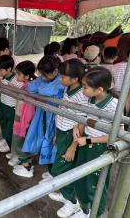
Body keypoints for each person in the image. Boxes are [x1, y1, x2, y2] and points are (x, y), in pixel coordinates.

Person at [72, 67, 118, 218]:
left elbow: (116, 136)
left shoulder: (114, 106)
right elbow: (82, 117)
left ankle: (96, 213)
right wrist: (76, 128)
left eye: (85, 87)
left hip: (100, 148)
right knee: (81, 177)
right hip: (86, 143)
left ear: (99, 89)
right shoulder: (89, 99)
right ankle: (84, 209)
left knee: (96, 183)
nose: (82, 89)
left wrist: (89, 139)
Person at [48, 59, 87, 217]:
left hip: (71, 138)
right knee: (60, 165)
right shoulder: (68, 89)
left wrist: (73, 146)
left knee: (60, 169)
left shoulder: (81, 96)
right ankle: (66, 194)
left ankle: (73, 202)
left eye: (63, 77)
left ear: (75, 79)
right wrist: (57, 133)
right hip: (62, 132)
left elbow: (81, 124)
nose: (60, 79)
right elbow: (63, 111)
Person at [21, 55, 65, 180]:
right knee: (46, 139)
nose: (42, 77)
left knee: (54, 142)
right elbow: (31, 87)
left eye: (45, 75)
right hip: (46, 114)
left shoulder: (60, 79)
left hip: (58, 118)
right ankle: (51, 171)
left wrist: (40, 88)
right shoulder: (46, 78)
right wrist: (41, 84)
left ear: (55, 71)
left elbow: (47, 91)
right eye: (41, 75)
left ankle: (54, 173)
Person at [4, 61, 36, 174]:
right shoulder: (27, 85)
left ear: (27, 76)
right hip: (21, 116)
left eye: (18, 74)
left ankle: (26, 168)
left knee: (20, 141)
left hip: (24, 119)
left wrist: (15, 89)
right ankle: (25, 164)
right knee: (19, 140)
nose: (16, 76)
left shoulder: (30, 87)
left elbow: (28, 100)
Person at [0, 55, 23, 153]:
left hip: (11, 108)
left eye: (1, 70)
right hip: (3, 105)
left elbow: (21, 90)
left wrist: (11, 87)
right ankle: (9, 145)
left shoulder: (16, 78)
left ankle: (14, 151)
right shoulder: (3, 76)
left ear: (9, 69)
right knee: (4, 125)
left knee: (10, 129)